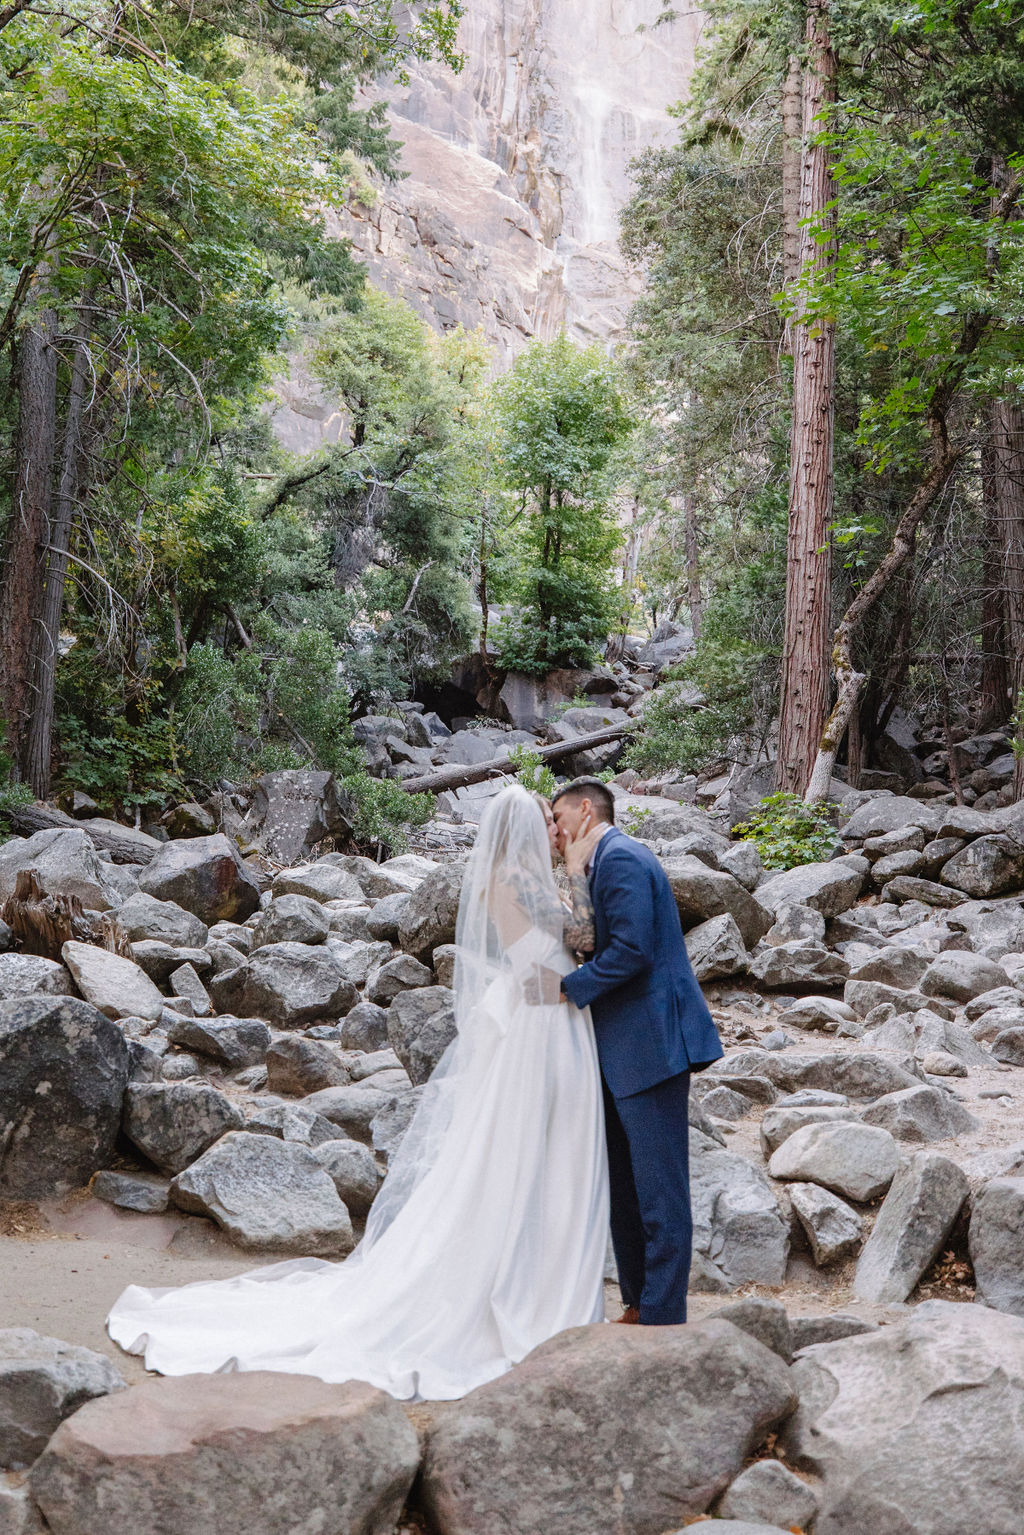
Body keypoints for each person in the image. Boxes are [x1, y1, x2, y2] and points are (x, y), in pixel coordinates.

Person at [107, 785, 609, 1401]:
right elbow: (544, 969)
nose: (554, 832)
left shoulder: (529, 882)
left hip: (549, 1025)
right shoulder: (514, 882)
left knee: (535, 1156)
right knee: (517, 1156)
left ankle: (537, 1276)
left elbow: (569, 944)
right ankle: (513, 1287)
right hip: (540, 1027)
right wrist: (578, 901)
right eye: (545, 823)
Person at [551, 777, 723, 1327]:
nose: (554, 833)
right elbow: (591, 942)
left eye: (558, 819)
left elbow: (631, 952)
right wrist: (574, 875)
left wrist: (566, 990)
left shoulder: (623, 858)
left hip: (651, 1042)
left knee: (658, 1184)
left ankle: (663, 1310)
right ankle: (636, 1300)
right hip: (619, 1047)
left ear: (584, 810)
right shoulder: (596, 863)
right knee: (623, 1183)